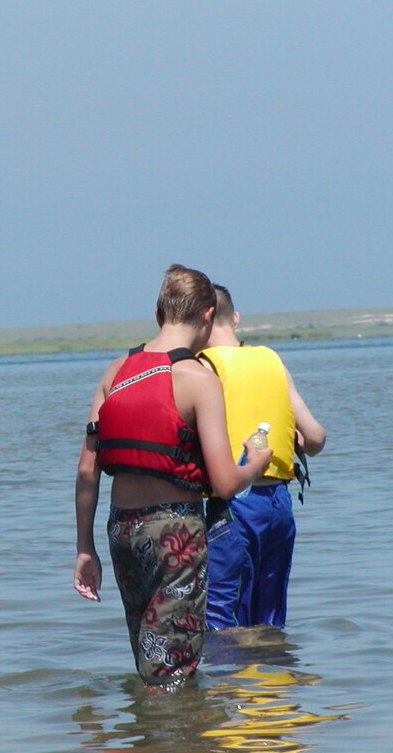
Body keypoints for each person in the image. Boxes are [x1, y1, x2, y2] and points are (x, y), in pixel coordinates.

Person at [73, 264, 273, 687]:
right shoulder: (198, 379)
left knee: (148, 658)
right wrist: (254, 464)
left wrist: (84, 548)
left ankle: (146, 734)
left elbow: (87, 469)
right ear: (206, 317)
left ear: (158, 312)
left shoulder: (116, 371)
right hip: (173, 533)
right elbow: (223, 482)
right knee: (173, 670)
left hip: (121, 530)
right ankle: (175, 734)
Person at [200, 284, 326, 629]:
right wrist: (294, 440)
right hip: (278, 504)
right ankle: (273, 678)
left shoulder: (203, 366)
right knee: (269, 614)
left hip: (233, 506)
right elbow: (315, 437)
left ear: (200, 320)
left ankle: (228, 683)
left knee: (222, 615)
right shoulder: (270, 359)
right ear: (235, 318)